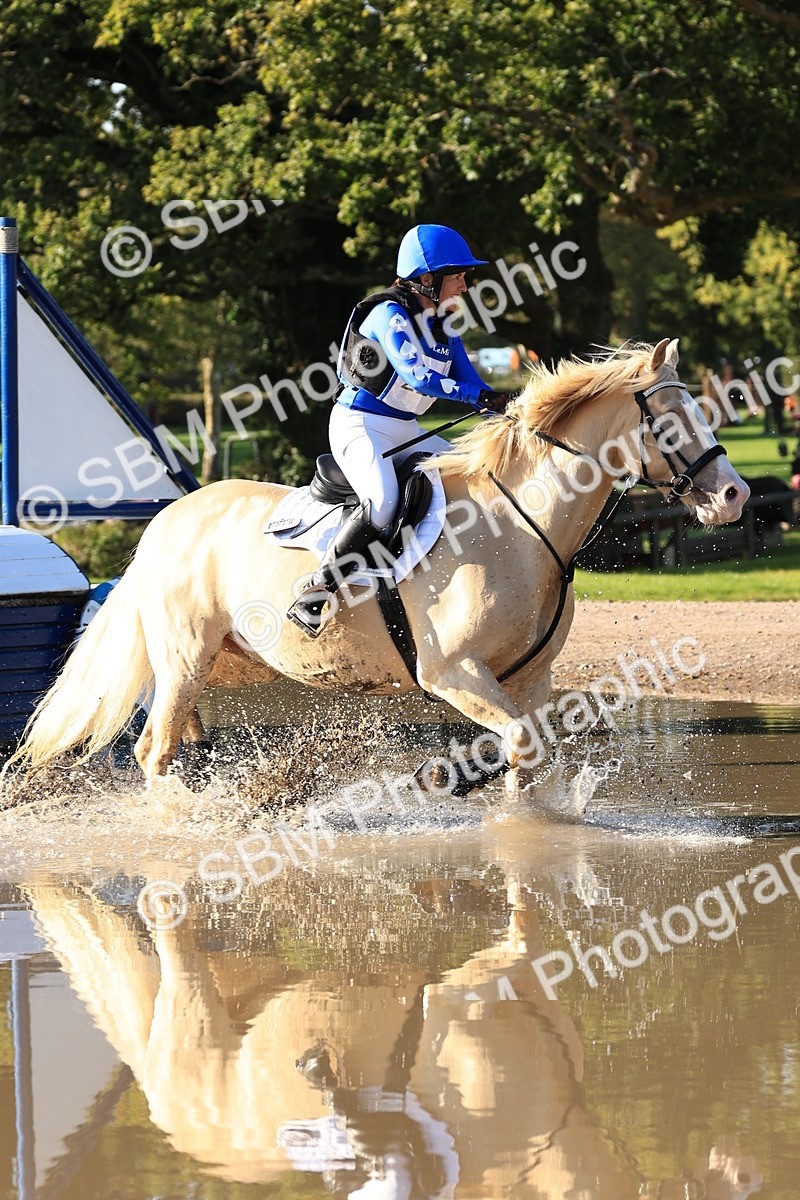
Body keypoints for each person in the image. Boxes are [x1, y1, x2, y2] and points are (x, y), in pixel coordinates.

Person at [287, 223, 505, 637]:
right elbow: (420, 378)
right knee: (384, 499)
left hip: (405, 428)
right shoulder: (387, 315)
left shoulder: (444, 327)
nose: (464, 284)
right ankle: (318, 589)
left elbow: (473, 383)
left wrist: (504, 407)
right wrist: (474, 396)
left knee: (476, 475)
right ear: (428, 279)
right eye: (457, 275)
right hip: (359, 424)